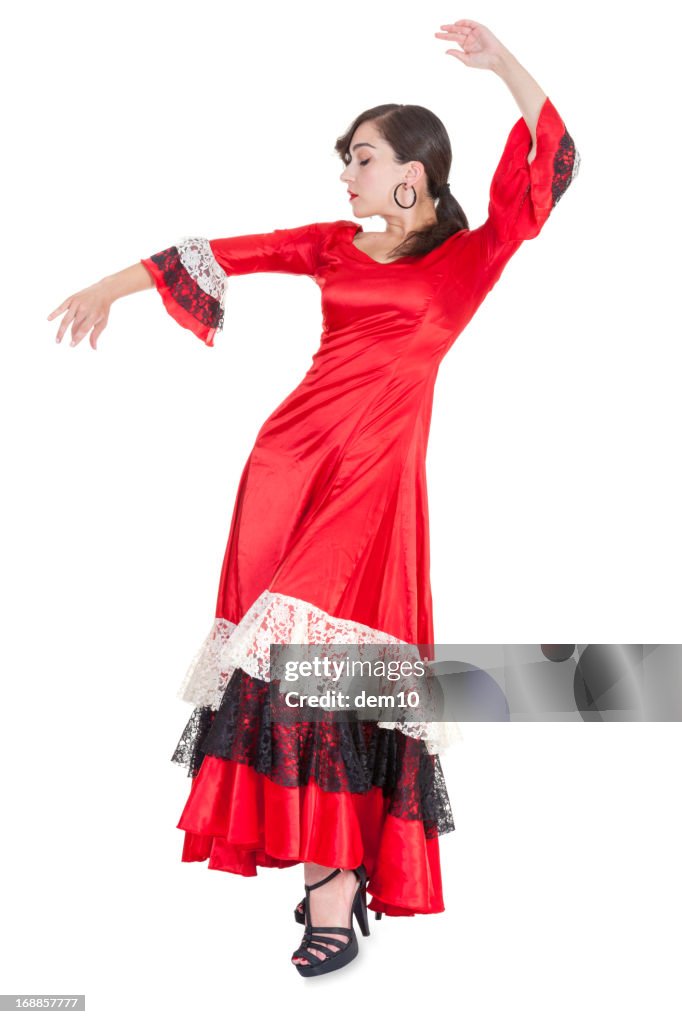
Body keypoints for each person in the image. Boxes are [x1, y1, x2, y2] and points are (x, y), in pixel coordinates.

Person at [46, 19, 579, 978]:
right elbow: (222, 251)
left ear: (413, 171)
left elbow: (552, 161)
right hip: (289, 469)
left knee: (326, 672)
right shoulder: (333, 245)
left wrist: (502, 65)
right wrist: (105, 288)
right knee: (288, 671)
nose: (348, 175)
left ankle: (335, 879)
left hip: (378, 488)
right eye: (347, 161)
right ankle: (332, 876)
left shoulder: (473, 257)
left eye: (363, 158)